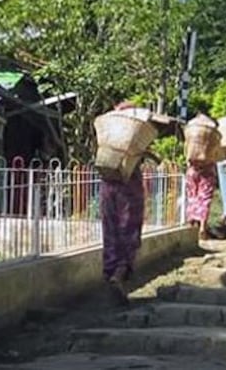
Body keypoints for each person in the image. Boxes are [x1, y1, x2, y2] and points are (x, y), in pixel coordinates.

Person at [98, 101, 164, 306]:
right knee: (129, 229)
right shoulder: (133, 136)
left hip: (107, 186)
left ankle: (110, 274)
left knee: (110, 230)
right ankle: (120, 274)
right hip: (129, 187)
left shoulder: (107, 132)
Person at [184, 114, 219, 240]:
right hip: (207, 170)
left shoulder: (190, 131)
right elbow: (216, 153)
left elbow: (186, 150)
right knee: (205, 198)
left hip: (192, 170)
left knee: (192, 196)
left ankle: (191, 223)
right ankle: (203, 227)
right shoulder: (212, 134)